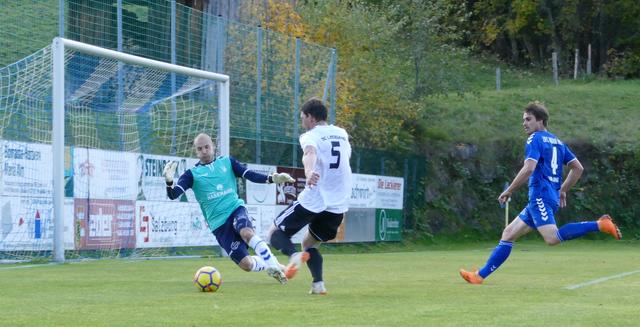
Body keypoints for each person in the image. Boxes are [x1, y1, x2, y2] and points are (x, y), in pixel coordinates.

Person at [460, 101, 621, 285]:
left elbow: (529, 168)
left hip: (540, 197)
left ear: (541, 121)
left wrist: (509, 190)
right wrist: (562, 190)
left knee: (552, 238)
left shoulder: (534, 139)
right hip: (546, 197)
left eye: (528, 119)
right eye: (523, 120)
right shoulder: (558, 142)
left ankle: (600, 225)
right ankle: (479, 276)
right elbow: (578, 168)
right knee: (508, 233)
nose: (524, 123)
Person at [163, 133, 294, 284]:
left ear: (213, 147)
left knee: (246, 232)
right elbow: (173, 194)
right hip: (218, 224)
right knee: (247, 264)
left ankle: (272, 267)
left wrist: (272, 178)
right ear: (196, 151)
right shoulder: (191, 174)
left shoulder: (227, 162)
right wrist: (169, 181)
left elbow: (249, 174)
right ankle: (272, 263)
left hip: (235, 209)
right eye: (200, 149)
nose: (204, 151)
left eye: (207, 147)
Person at [268, 98, 353, 295]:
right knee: (309, 244)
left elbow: (309, 153)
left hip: (315, 198)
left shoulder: (310, 135)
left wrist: (309, 172)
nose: (303, 122)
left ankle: (293, 255)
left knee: (274, 233)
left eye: (303, 118)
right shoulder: (342, 134)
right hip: (338, 205)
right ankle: (318, 284)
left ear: (311, 117)